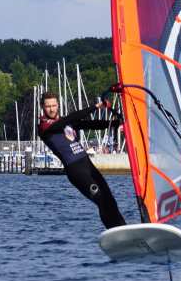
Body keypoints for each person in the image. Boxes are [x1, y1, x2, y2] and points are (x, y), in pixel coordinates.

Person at [37, 90, 126, 229]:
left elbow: (91, 124)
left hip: (87, 164)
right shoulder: (44, 127)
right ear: (42, 107)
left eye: (54, 105)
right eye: (48, 106)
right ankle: (114, 230)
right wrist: (96, 107)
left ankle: (123, 227)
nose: (51, 109)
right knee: (101, 199)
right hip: (76, 171)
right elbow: (72, 117)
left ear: (58, 105)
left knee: (110, 199)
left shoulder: (66, 123)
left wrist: (115, 123)